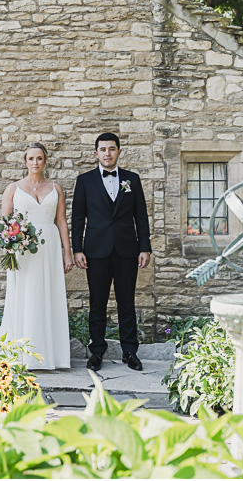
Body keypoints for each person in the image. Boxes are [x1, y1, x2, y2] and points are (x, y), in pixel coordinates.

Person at [71, 132, 151, 372]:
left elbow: (141, 217)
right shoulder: (84, 181)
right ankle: (96, 352)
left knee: (127, 303)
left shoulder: (132, 180)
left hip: (127, 250)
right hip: (96, 251)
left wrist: (144, 246)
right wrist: (78, 249)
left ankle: (130, 352)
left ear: (119, 152)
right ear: (96, 153)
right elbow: (77, 218)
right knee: (98, 304)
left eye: (112, 149)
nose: (107, 153)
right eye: (103, 149)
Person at [0, 142, 73, 370]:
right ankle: (23, 352)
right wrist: (10, 245)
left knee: (49, 296)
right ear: (25, 161)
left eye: (39, 158)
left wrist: (66, 253)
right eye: (31, 159)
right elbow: (5, 223)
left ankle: (51, 354)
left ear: (45, 161)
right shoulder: (13, 188)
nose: (35, 163)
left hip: (49, 246)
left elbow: (61, 222)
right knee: (26, 297)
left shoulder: (56, 188)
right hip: (24, 251)